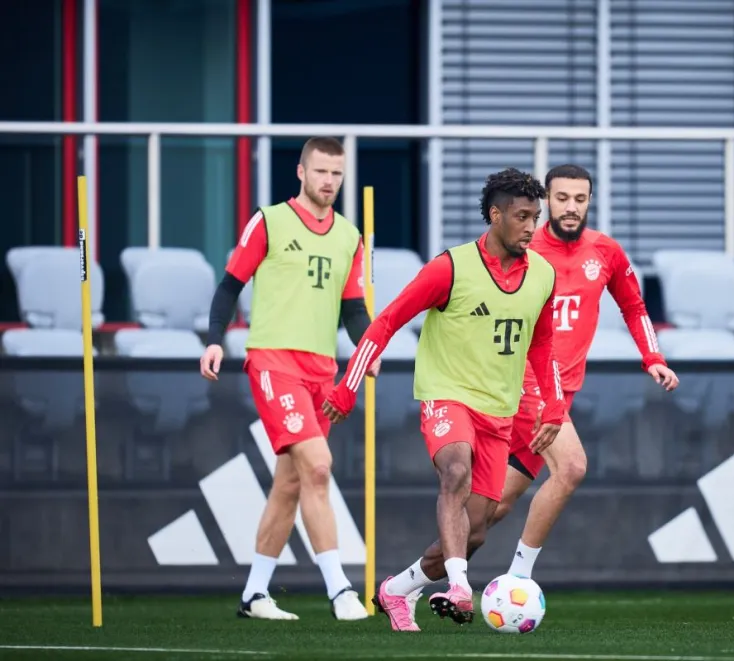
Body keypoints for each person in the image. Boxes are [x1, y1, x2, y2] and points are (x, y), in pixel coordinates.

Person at [402, 164, 681, 620]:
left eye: (580, 199)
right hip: (521, 389)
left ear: (590, 201)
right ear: (546, 200)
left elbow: (634, 305)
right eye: (562, 198)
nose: (570, 207)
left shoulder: (605, 252)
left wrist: (653, 357)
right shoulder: (525, 245)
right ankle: (519, 579)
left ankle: (403, 585)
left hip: (557, 398)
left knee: (483, 521)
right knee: (571, 467)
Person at [322, 167, 565, 632]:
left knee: (475, 531)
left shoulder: (543, 276)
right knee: (455, 468)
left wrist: (553, 407)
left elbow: (542, 344)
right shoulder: (450, 267)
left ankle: (397, 589)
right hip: (446, 395)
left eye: (537, 217)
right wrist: (348, 383)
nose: (532, 227)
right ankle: (459, 588)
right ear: (495, 216)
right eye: (522, 216)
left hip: (500, 410)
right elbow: (387, 320)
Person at [199, 136, 377, 622]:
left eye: (337, 174)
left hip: (324, 370)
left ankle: (254, 594)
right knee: (318, 466)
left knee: (292, 482)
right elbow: (230, 284)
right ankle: (341, 591)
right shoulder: (270, 220)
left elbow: (354, 308)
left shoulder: (349, 235)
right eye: (320, 171)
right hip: (274, 362)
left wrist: (368, 347)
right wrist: (215, 338)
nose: (329, 182)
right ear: (300, 172)